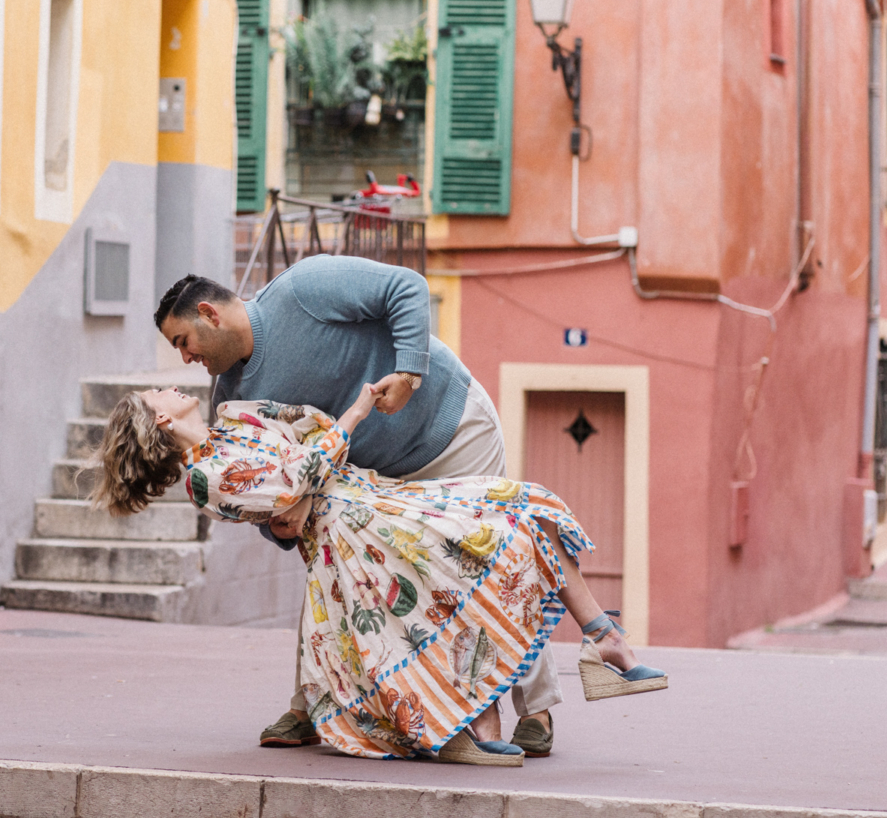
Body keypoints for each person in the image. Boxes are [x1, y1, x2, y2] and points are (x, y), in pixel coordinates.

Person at [92, 384, 668, 763]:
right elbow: (306, 467)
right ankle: (477, 727)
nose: (172, 382)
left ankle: (603, 641)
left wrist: (303, 479)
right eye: (158, 392)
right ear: (163, 417)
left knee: (528, 508)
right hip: (353, 535)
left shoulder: (232, 423)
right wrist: (351, 422)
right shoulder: (204, 477)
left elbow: (309, 429)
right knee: (456, 590)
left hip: (371, 501)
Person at [154, 259, 575, 754]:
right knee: (332, 574)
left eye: (183, 341)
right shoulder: (233, 396)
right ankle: (310, 705)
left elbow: (407, 286)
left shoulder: (303, 289)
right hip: (373, 483)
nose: (185, 359)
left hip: (450, 430)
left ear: (209, 313)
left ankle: (537, 709)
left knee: (492, 560)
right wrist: (280, 530)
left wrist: (409, 371)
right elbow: (264, 488)